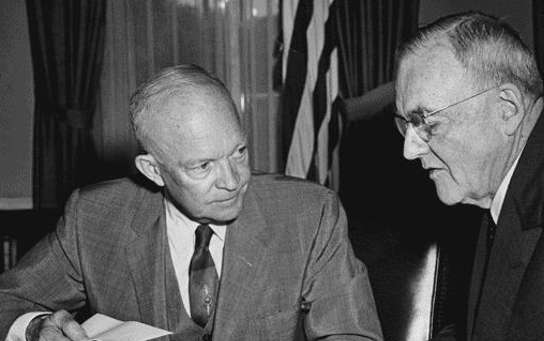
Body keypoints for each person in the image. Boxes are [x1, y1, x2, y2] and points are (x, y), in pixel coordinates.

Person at [0, 64, 383, 341]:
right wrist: (36, 328)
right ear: (153, 170)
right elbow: (8, 300)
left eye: (239, 152)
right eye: (203, 166)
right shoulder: (93, 217)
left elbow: (352, 334)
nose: (234, 181)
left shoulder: (309, 214)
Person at [394, 12, 544, 341]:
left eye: (426, 122)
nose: (409, 150)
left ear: (507, 109)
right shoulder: (500, 192)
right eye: (405, 124)